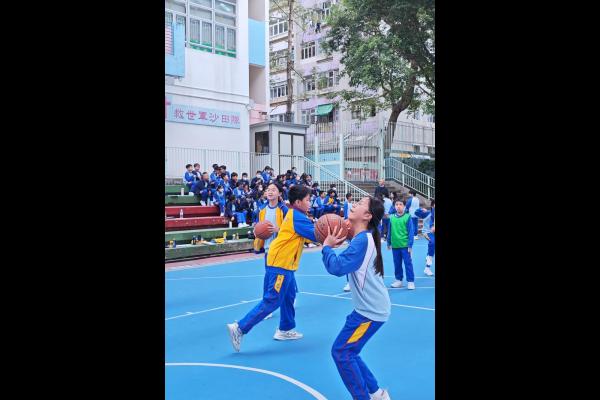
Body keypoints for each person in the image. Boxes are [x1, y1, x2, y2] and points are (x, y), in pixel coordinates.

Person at [226, 185, 317, 351]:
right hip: (280, 263)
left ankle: (285, 329)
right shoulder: (297, 216)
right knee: (273, 300)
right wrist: (340, 231)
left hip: (284, 262)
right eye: (308, 200)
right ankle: (239, 328)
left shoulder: (294, 213)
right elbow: (316, 235)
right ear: (298, 202)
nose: (310, 203)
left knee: (289, 296)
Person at [321, 196, 393, 400]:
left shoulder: (362, 241)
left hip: (370, 312)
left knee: (342, 352)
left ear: (367, 215)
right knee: (349, 351)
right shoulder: (363, 238)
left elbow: (337, 267)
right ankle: (377, 393)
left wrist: (326, 248)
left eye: (360, 204)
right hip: (367, 310)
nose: (354, 205)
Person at [387, 199, 415, 290]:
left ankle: (410, 281)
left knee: (408, 263)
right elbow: (389, 230)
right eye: (396, 204)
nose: (398, 206)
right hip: (395, 245)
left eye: (400, 204)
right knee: (397, 264)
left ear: (404, 206)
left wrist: (410, 245)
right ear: (394, 206)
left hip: (405, 245)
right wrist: (388, 242)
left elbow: (411, 232)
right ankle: (398, 280)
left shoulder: (407, 217)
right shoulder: (392, 217)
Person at [415, 200, 435, 276]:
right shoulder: (427, 213)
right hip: (427, 232)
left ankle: (428, 256)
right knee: (432, 243)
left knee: (432, 248)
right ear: (432, 206)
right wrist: (421, 209)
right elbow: (416, 212)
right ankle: (427, 268)